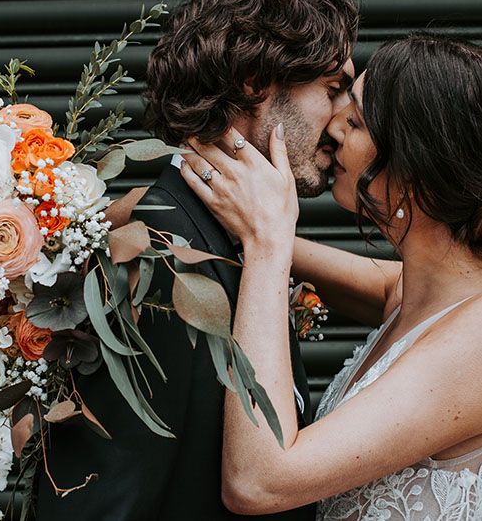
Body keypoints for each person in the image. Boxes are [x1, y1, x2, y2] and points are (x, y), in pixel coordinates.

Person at [34, 0, 358, 521]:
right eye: (333, 89)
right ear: (256, 81)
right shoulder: (159, 253)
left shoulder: (233, 237)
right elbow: (102, 503)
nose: (340, 122)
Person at [181, 33, 482, 520]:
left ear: (417, 164)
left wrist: (268, 246)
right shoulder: (422, 293)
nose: (334, 130)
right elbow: (385, 285)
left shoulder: (476, 343)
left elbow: (260, 482)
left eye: (357, 121)